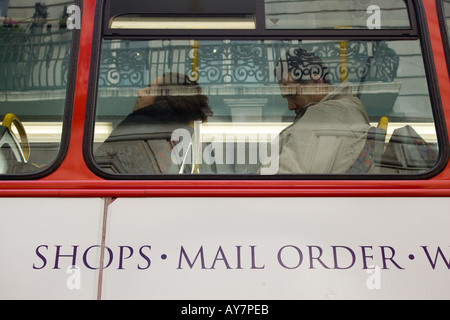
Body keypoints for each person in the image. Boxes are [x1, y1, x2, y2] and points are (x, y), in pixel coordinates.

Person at [273, 48, 371, 174]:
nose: (290, 106)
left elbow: (286, 181)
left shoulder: (326, 117)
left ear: (316, 82)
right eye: (286, 98)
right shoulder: (345, 113)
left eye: (293, 95)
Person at [94, 72, 212, 174]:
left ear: (164, 100)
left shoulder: (138, 126)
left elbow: (101, 166)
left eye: (149, 89)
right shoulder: (184, 135)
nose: (139, 92)